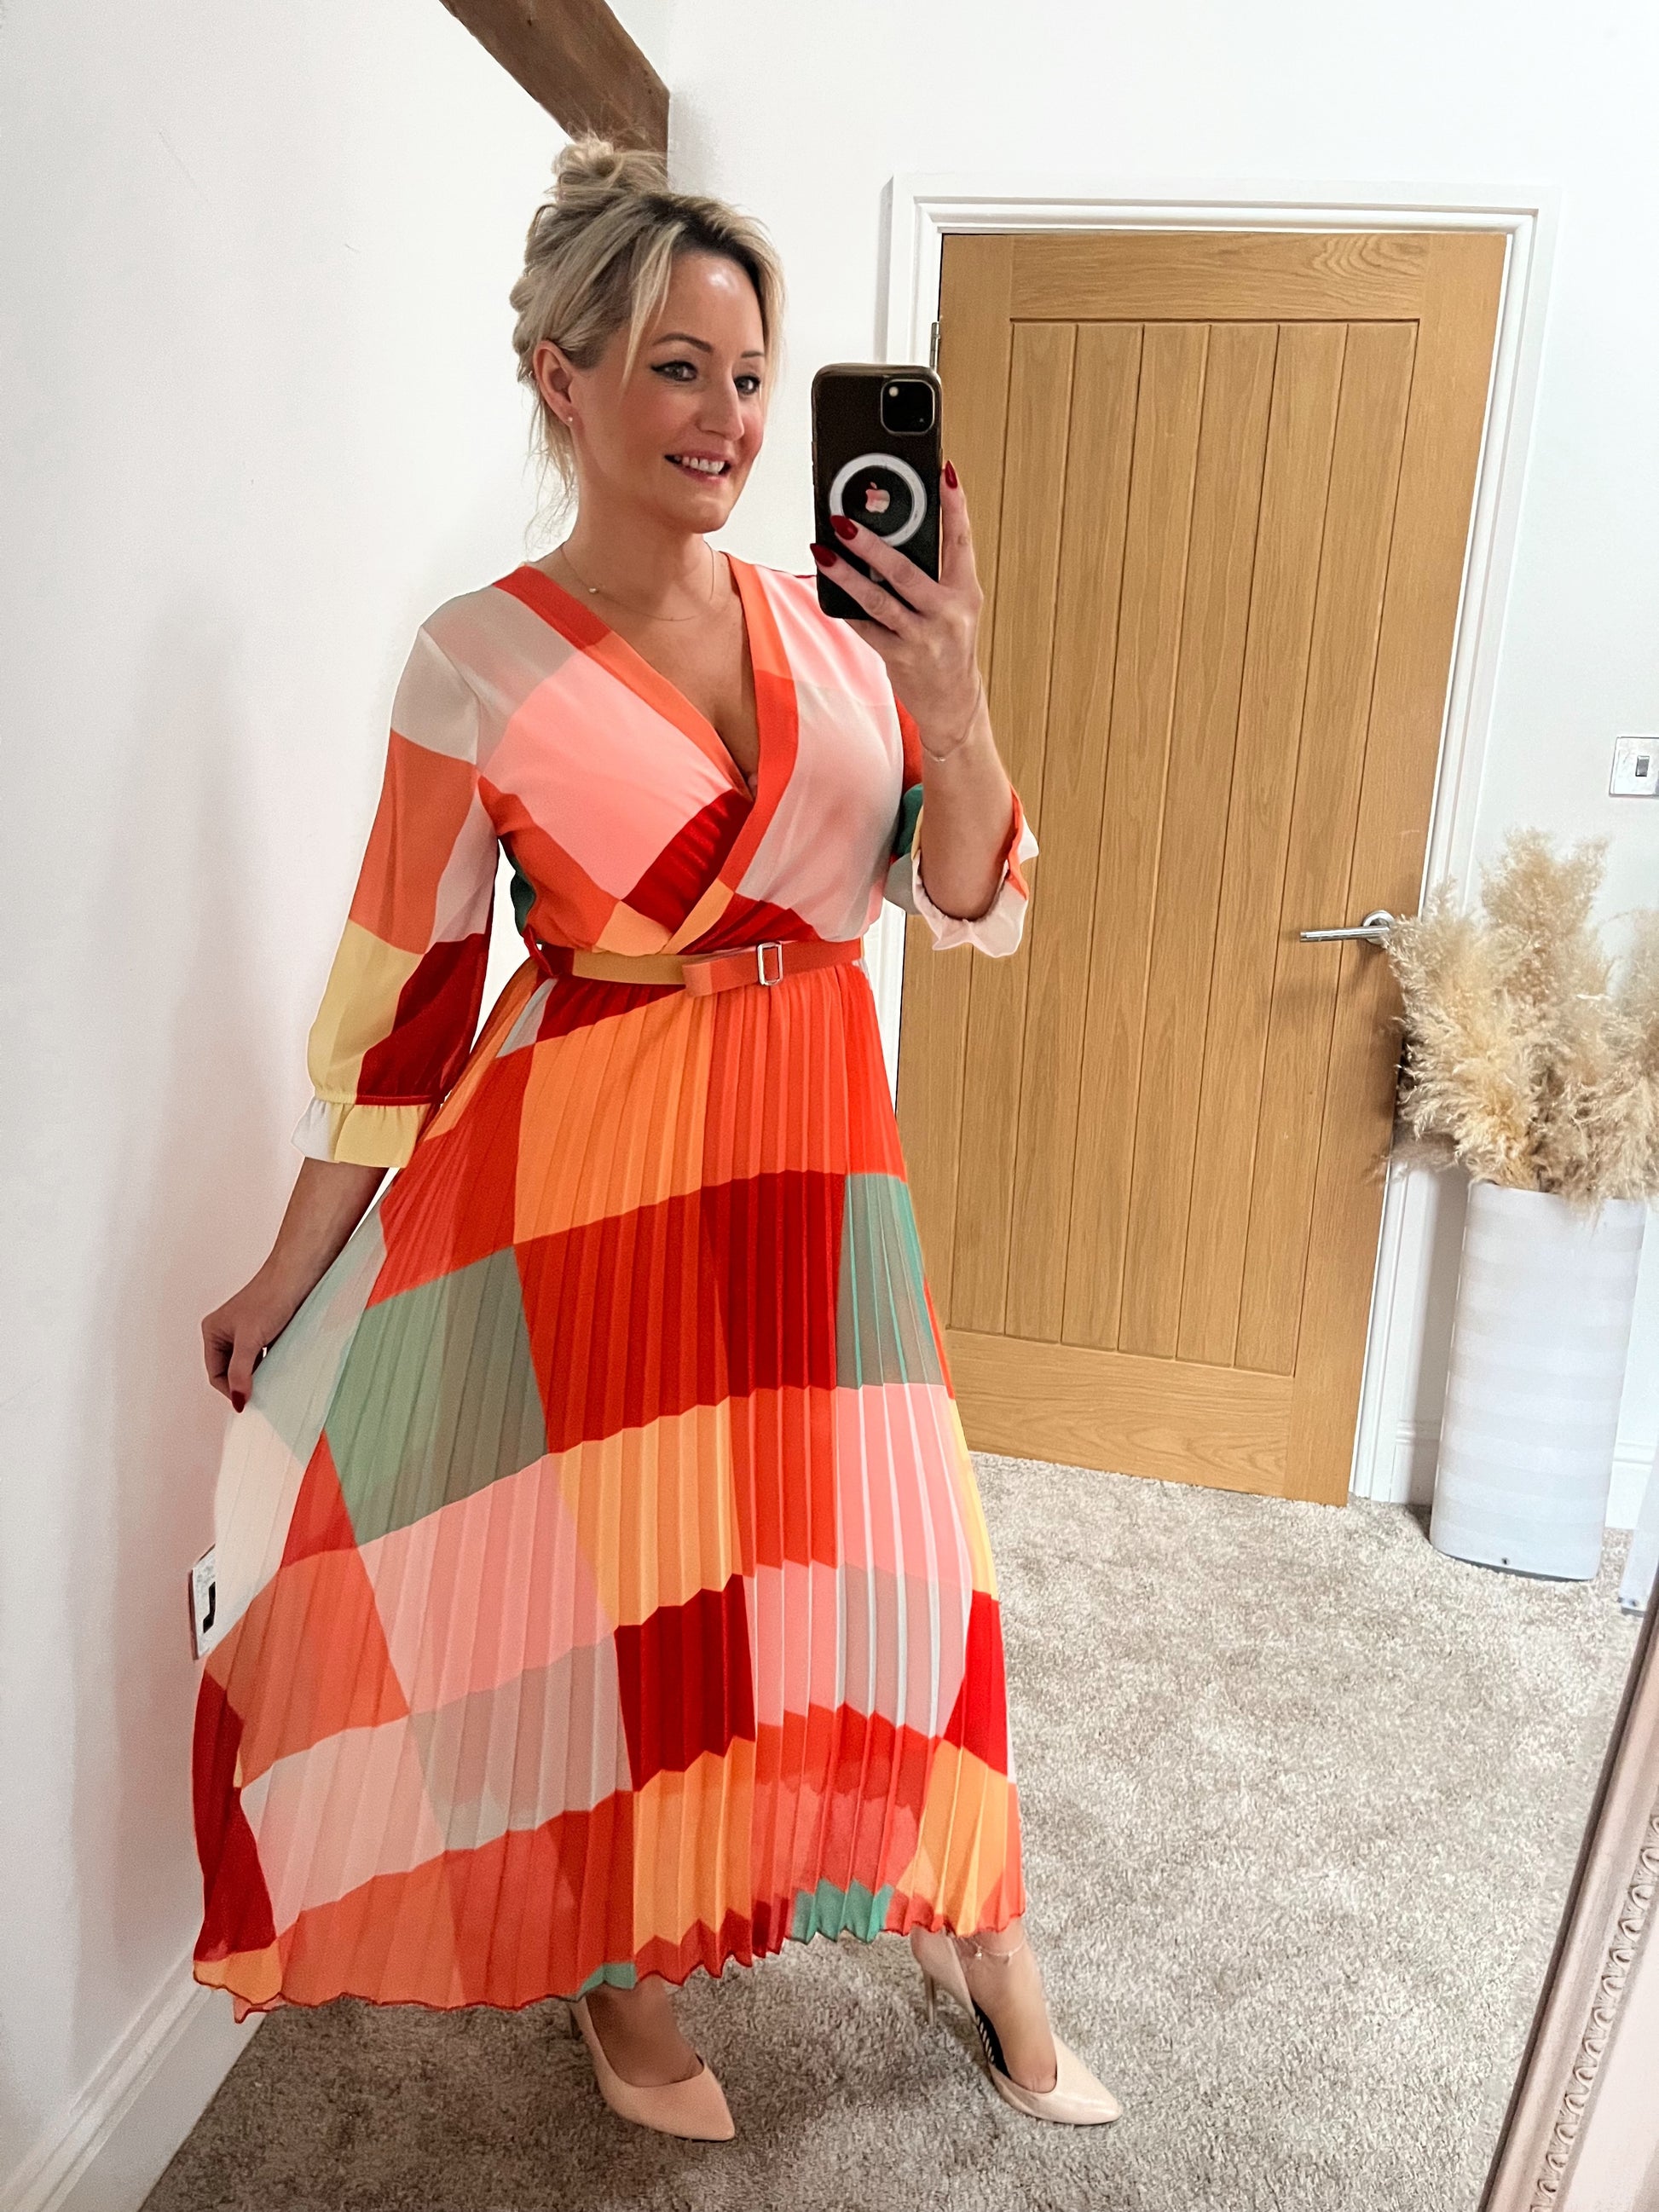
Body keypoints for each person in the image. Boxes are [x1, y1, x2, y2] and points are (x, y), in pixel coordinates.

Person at [193, 135, 1119, 2140]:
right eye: (677, 367)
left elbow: (976, 898)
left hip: (813, 1162)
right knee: (627, 1597)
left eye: (751, 374)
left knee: (893, 1557)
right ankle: (623, 1968)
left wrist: (954, 698)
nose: (726, 416)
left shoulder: (840, 626)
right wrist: (285, 1265)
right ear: (564, 377)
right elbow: (401, 1001)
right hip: (588, 1176)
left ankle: (975, 1917)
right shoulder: (475, 656)